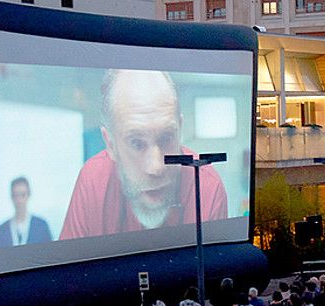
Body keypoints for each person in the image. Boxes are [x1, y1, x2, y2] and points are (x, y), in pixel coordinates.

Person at [62, 69, 228, 239]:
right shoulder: (93, 180)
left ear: (180, 129)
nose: (156, 167)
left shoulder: (206, 185)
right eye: (136, 143)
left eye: (167, 137)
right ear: (110, 144)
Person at [0, 176, 52, 248]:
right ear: (11, 197)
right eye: (16, 195)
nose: (19, 200)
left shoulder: (41, 227)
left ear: (29, 195)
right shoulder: (0, 232)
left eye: (22, 195)